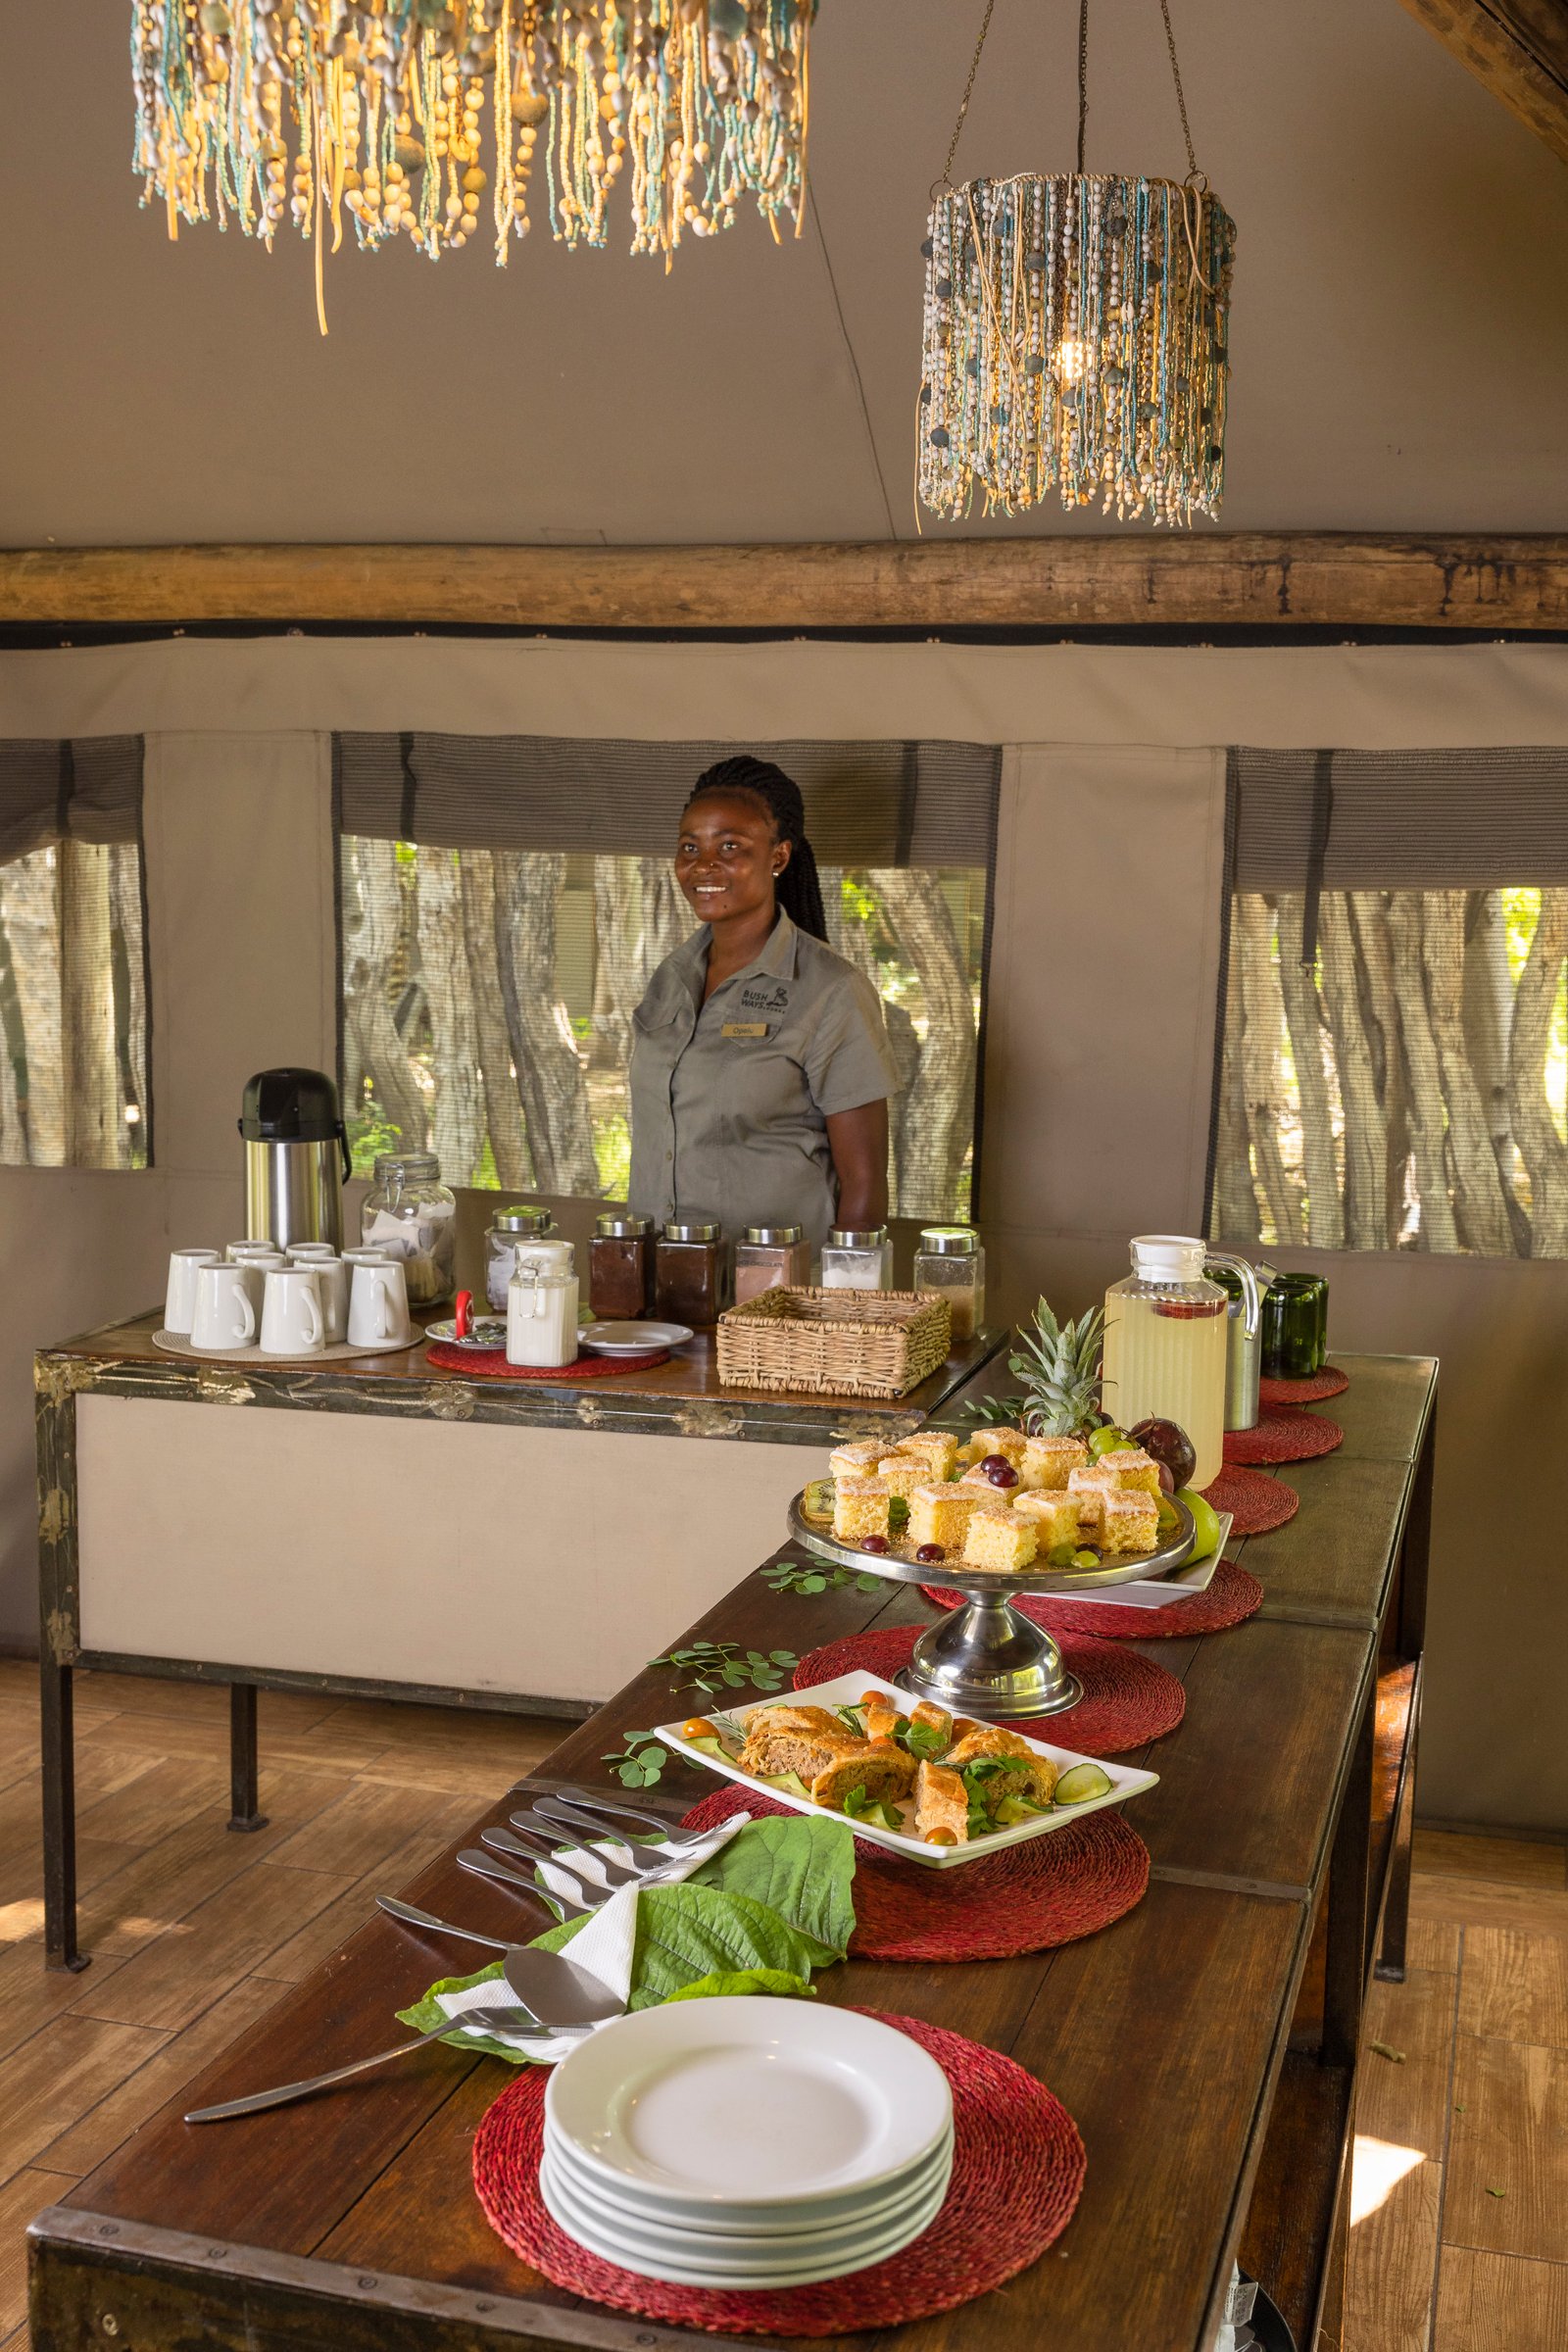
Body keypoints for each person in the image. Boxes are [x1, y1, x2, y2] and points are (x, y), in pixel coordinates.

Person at [626, 756, 897, 1250]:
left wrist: (840, 1293)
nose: (704, 865)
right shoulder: (670, 977)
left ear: (779, 856)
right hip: (659, 1278)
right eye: (690, 847)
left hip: (778, 1288)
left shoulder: (831, 991)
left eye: (730, 846)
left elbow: (864, 1184)